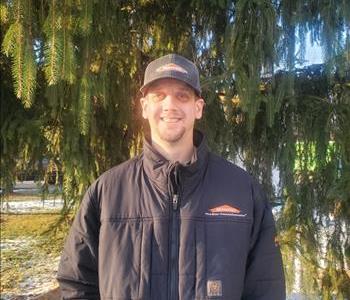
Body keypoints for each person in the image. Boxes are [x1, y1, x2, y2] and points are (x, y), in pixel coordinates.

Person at [57, 54, 286, 299]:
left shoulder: (242, 190)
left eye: (182, 96)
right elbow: (77, 282)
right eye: (159, 95)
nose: (170, 105)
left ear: (198, 108)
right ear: (144, 107)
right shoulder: (108, 192)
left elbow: (265, 287)